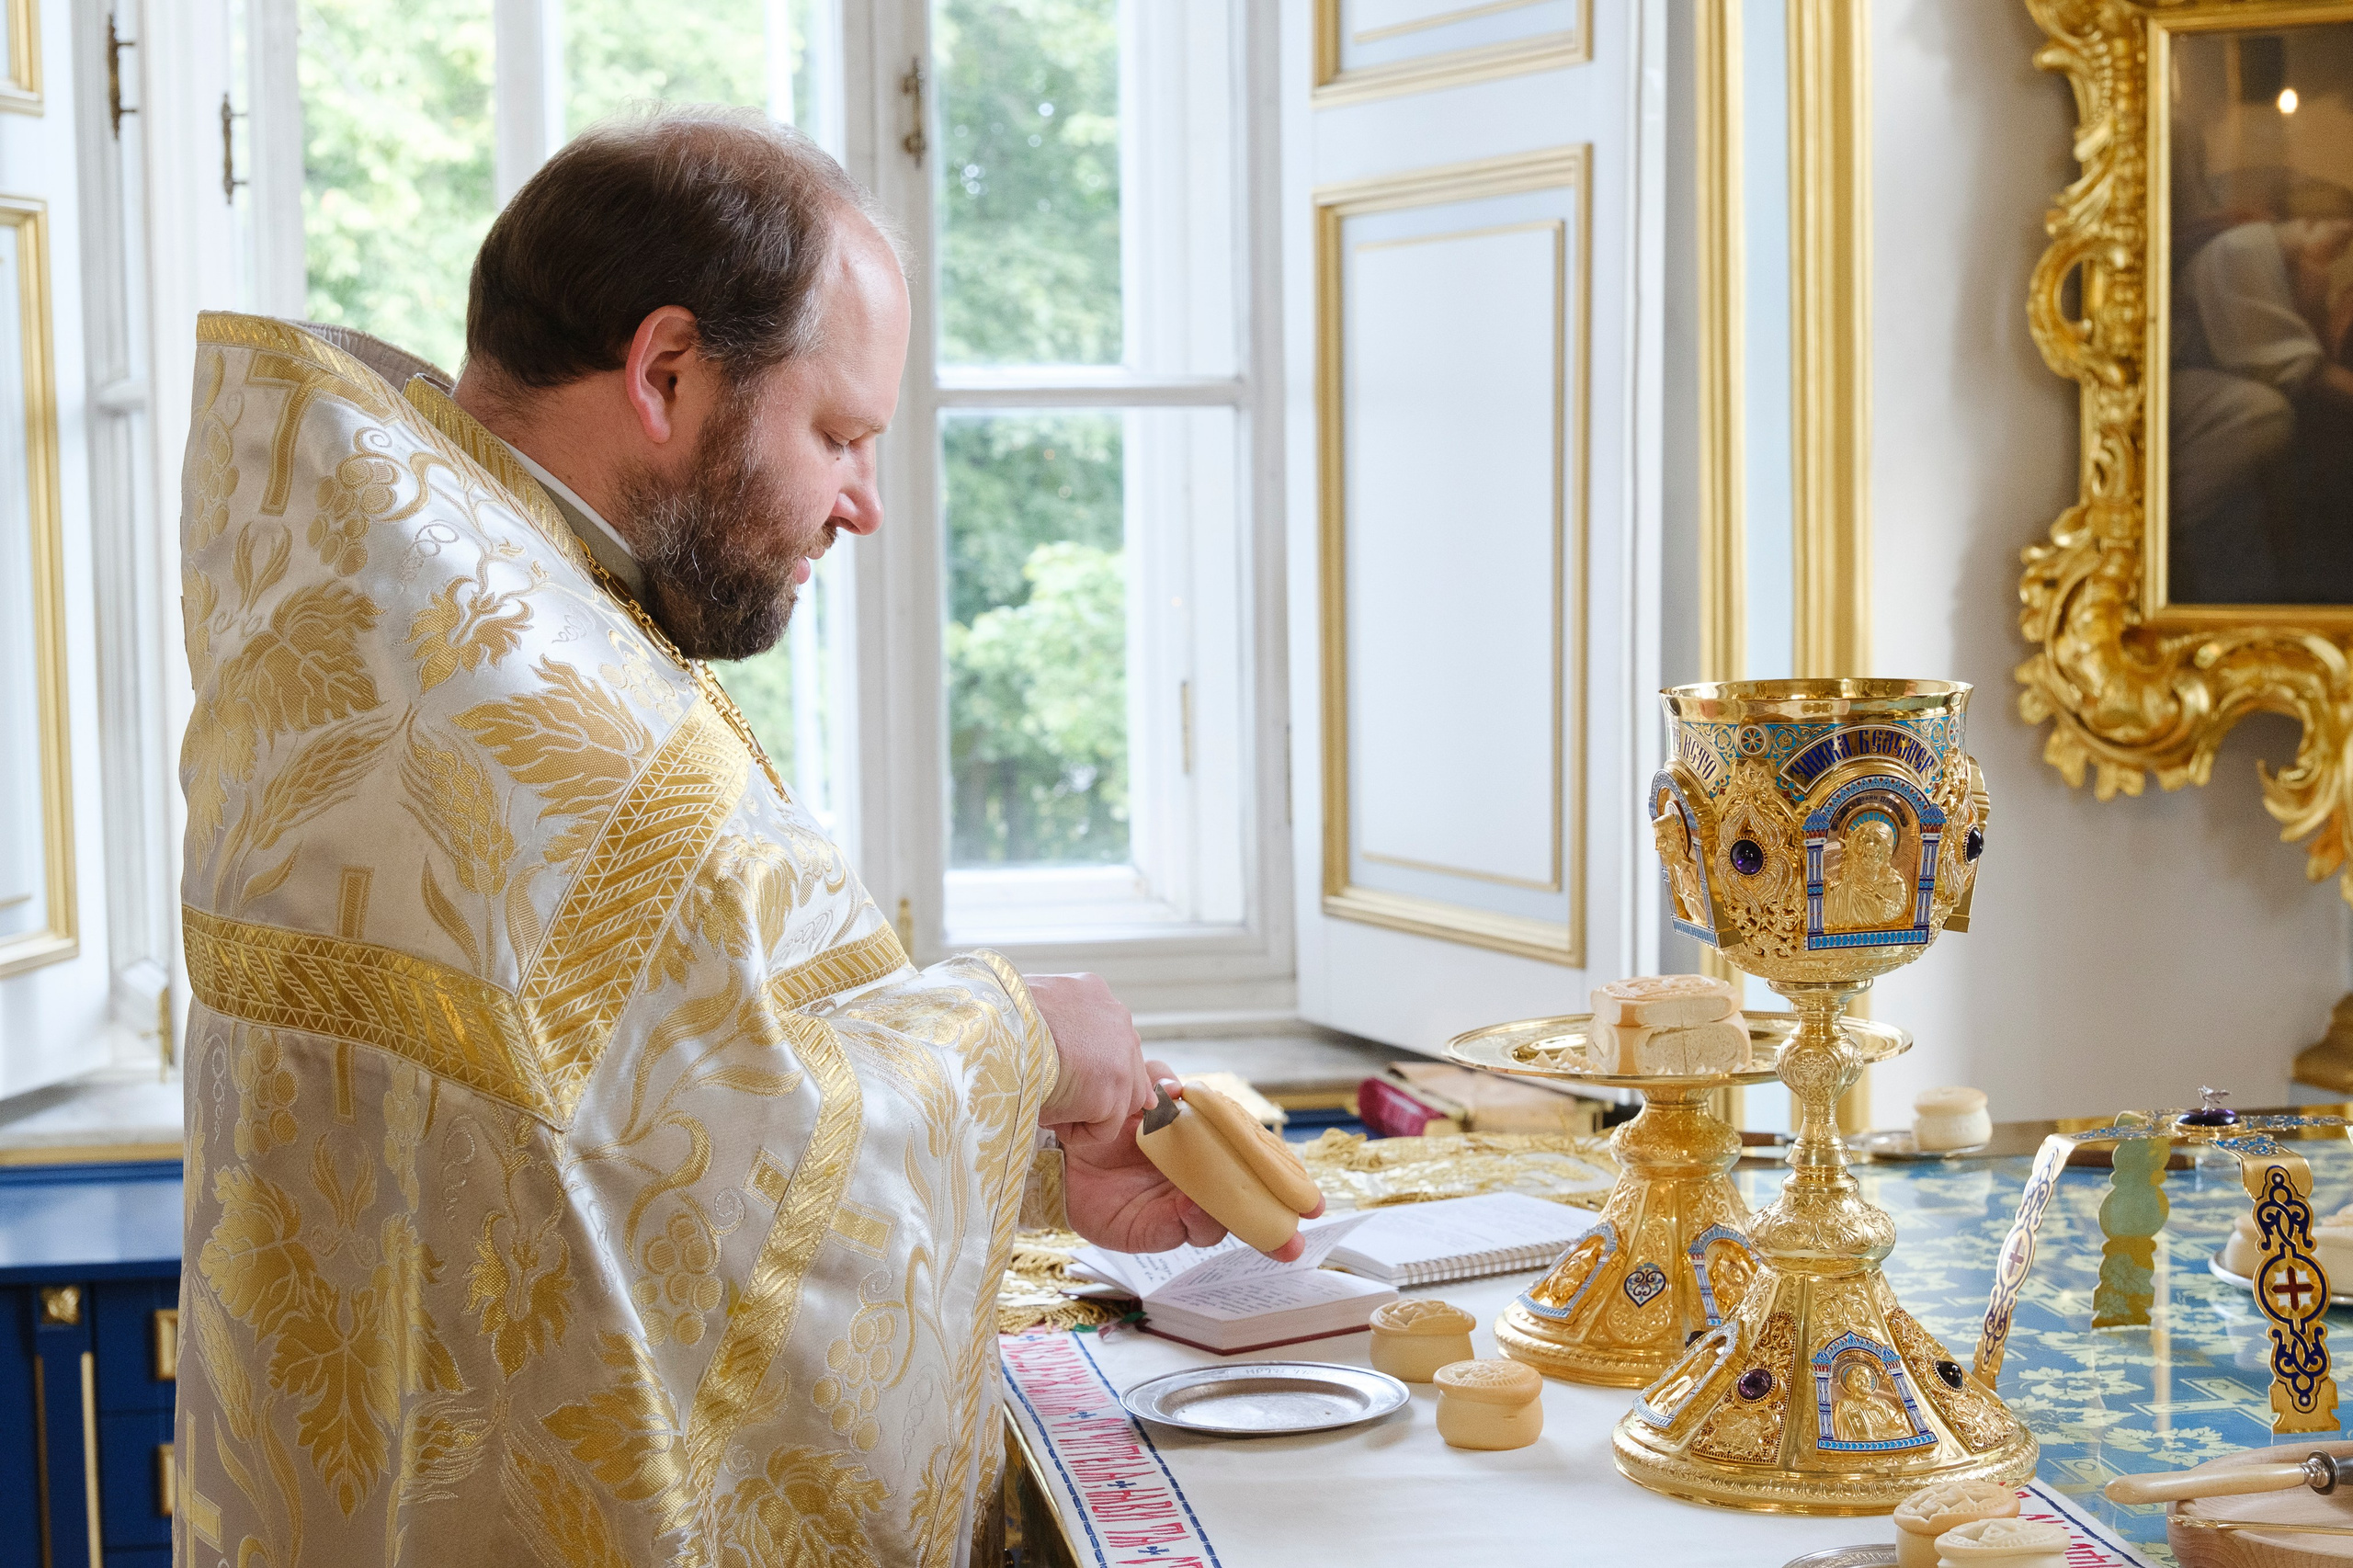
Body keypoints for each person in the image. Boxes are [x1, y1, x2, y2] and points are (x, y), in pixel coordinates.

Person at [173, 107, 1290, 1568]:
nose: (863, 504)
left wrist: (1027, 1159)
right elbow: (721, 1177)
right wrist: (1020, 1037)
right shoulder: (521, 694)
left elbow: (622, 1146)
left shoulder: (424, 609)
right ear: (667, 371)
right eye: (838, 433)